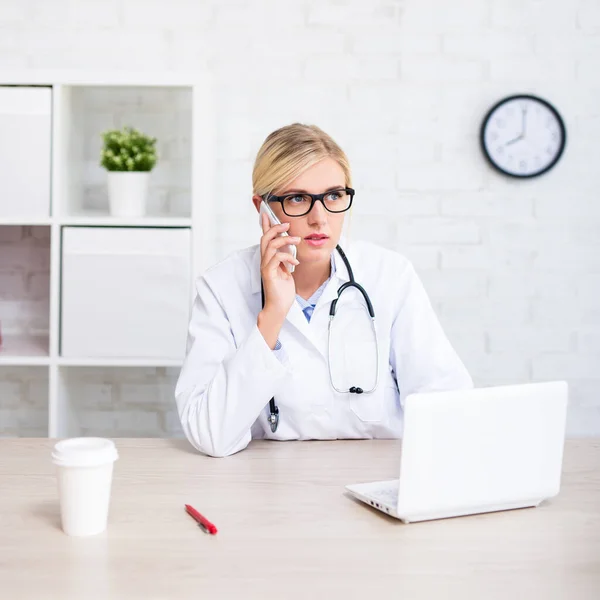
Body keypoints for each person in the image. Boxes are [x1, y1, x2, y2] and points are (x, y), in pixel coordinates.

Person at [175, 123, 473, 457]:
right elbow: (210, 434)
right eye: (298, 198)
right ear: (262, 207)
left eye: (333, 196)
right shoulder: (221, 288)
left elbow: (447, 404)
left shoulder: (390, 276)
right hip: (266, 487)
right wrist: (272, 316)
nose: (320, 218)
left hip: (374, 478)